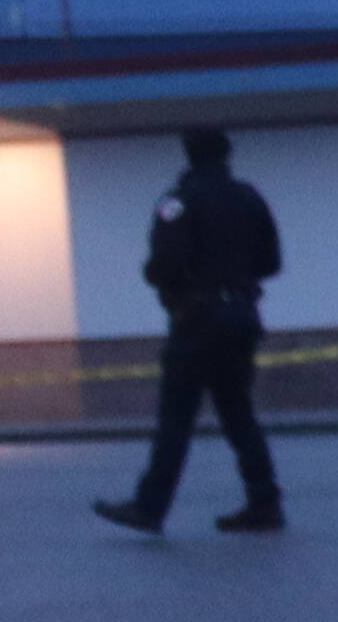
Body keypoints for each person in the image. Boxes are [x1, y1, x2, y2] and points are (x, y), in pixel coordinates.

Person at [93, 126, 285, 534]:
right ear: (227, 154)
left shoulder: (179, 201)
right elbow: (271, 261)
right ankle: (264, 501)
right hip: (243, 316)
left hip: (198, 320)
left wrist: (170, 282)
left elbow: (165, 261)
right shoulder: (249, 197)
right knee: (238, 412)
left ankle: (150, 507)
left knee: (176, 416)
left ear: (188, 155)